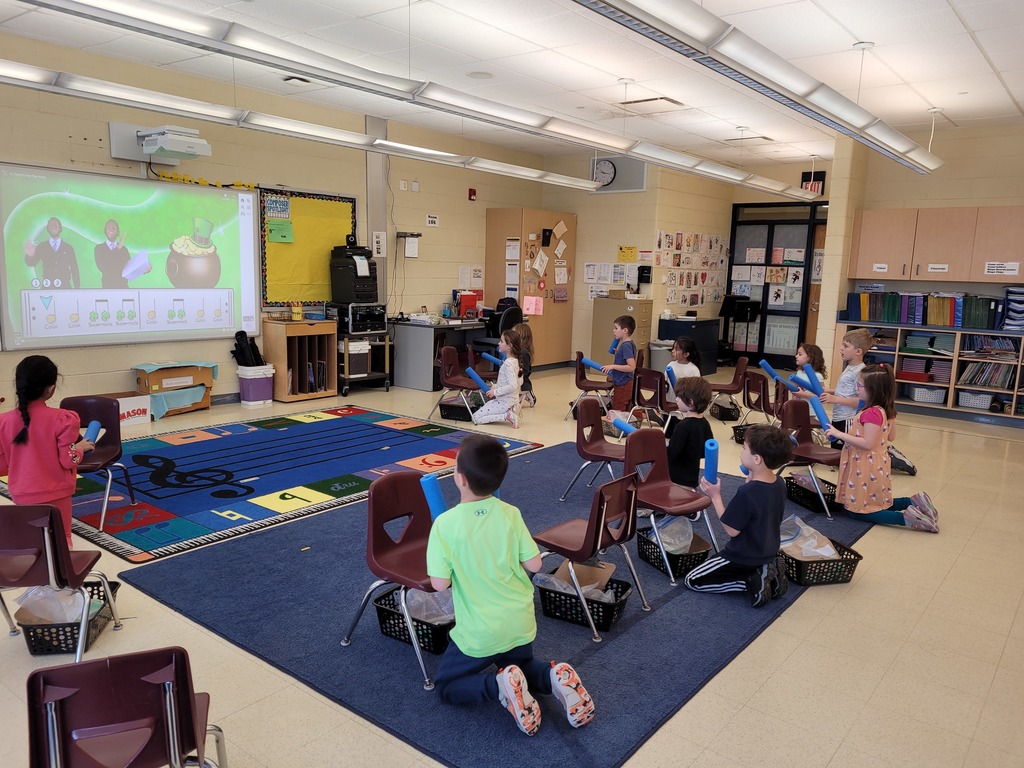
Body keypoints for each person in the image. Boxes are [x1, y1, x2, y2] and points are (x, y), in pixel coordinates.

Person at [426, 434, 595, 735]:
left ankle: (498, 686)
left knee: (446, 686)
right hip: (519, 622)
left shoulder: (444, 525)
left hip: (479, 633)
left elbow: (439, 585)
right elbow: (535, 564)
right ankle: (554, 676)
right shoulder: (511, 513)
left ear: (459, 479)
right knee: (520, 665)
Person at [685, 424, 794, 607]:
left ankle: (751, 582)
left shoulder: (748, 492)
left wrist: (716, 496)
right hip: (767, 551)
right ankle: (767, 573)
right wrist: (752, 477)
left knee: (692, 580)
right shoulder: (779, 483)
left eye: (744, 448)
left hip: (741, 556)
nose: (741, 451)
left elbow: (731, 530)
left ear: (757, 459)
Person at [825, 364, 939, 532]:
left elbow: (868, 443)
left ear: (873, 389)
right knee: (873, 502)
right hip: (877, 461)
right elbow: (890, 437)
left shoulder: (871, 413)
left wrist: (839, 434)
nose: (856, 388)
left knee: (859, 511)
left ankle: (908, 519)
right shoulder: (887, 409)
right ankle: (913, 501)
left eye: (859, 385)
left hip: (864, 463)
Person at [0, 356, 93, 548]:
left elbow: (2, 465)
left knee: (32, 542)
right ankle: (61, 577)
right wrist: (80, 449)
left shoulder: (4, 421)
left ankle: (39, 575)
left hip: (22, 494)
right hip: (56, 492)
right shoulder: (63, 419)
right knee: (60, 540)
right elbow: (69, 460)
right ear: (50, 388)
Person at [819, 327, 872, 447]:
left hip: (848, 419)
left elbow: (861, 401)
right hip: (839, 417)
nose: (841, 348)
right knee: (836, 449)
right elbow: (848, 391)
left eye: (846, 346)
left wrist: (835, 399)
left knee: (844, 453)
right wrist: (830, 391)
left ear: (858, 351)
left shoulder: (860, 372)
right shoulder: (850, 367)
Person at [667, 376, 714, 489]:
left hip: (675, 480)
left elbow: (671, 454)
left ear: (691, 402)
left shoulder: (682, 426)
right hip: (691, 478)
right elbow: (705, 451)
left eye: (679, 397)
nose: (676, 399)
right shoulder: (704, 423)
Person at [471, 329, 522, 428]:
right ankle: (511, 411)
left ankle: (507, 416)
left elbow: (512, 385)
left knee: (475, 418)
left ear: (509, 345)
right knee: (485, 410)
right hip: (512, 401)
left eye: (501, 341)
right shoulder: (516, 361)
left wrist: (495, 392)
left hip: (504, 402)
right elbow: (519, 381)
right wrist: (495, 387)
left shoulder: (507, 363)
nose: (499, 343)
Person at [24, 216, 80, 289]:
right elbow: (31, 263)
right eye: (51, 225)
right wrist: (30, 254)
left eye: (55, 225)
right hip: (47, 287)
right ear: (48, 229)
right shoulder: (41, 247)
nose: (53, 226)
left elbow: (74, 268)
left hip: (65, 287)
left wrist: (77, 287)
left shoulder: (68, 248)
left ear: (60, 228)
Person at [601, 315, 637, 414]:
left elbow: (631, 367)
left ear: (625, 330)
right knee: (624, 409)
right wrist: (619, 353)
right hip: (624, 381)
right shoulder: (629, 344)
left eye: (616, 328)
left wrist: (612, 366)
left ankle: (619, 428)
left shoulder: (626, 346)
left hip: (623, 383)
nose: (614, 331)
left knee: (617, 411)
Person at [94, 219, 130, 288]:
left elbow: (130, 267)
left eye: (114, 228)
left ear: (117, 232)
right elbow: (103, 267)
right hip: (108, 288)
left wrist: (143, 269)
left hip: (123, 288)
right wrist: (117, 249)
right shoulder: (99, 249)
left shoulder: (124, 249)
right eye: (108, 228)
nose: (111, 230)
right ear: (105, 231)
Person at [513, 322, 536, 408]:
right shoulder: (516, 350)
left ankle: (528, 392)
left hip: (522, 380)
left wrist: (516, 374)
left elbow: (526, 370)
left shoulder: (523, 352)